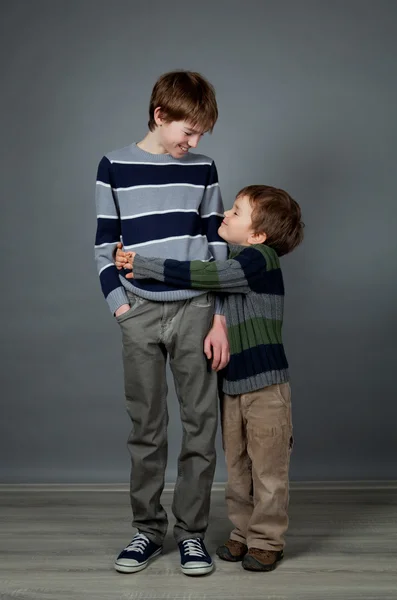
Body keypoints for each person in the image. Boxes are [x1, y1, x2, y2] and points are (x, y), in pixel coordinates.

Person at [115, 184, 304, 572]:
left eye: (236, 212)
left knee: (267, 469)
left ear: (258, 236)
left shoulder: (260, 260)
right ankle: (241, 534)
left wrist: (146, 265)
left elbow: (210, 273)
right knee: (237, 468)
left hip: (266, 386)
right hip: (232, 386)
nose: (225, 216)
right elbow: (210, 266)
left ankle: (267, 540)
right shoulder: (237, 253)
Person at [94, 70, 229, 577]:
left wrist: (218, 316)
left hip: (197, 309)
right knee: (147, 427)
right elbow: (102, 244)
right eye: (187, 132)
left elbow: (217, 245)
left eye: (199, 136)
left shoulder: (204, 168)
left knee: (201, 425)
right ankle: (147, 531)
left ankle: (192, 535)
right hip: (140, 311)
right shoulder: (114, 165)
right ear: (160, 115)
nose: (192, 143)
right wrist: (121, 309)